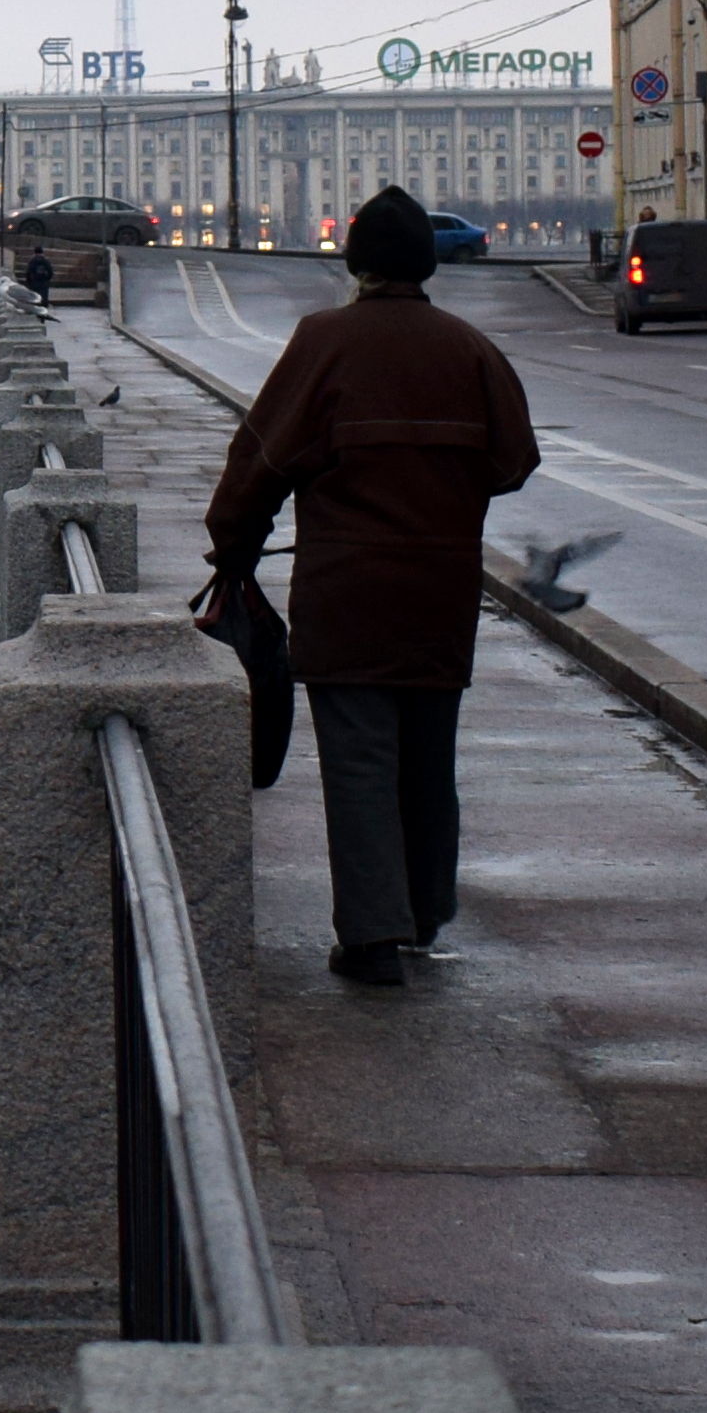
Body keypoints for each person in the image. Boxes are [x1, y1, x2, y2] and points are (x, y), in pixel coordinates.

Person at [199, 185, 540, 989]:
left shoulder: (326, 342)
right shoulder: (469, 349)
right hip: (440, 589)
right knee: (428, 757)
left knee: (358, 763)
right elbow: (514, 460)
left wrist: (233, 548)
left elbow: (260, 462)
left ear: (355, 262)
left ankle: (373, 938)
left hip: (347, 590)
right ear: (426, 264)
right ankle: (424, 914)